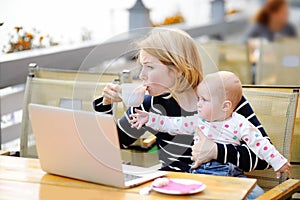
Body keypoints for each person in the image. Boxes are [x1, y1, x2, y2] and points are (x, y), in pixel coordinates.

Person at [93, 28, 267, 198]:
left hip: (219, 189)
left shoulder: (222, 100)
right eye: (142, 67)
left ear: (177, 69)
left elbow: (263, 159)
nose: (142, 75)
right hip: (170, 191)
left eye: (149, 67)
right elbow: (110, 146)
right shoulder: (151, 104)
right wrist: (106, 105)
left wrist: (216, 151)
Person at [129, 71, 291, 179]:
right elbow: (171, 124)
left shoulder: (239, 122)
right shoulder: (197, 121)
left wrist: (279, 162)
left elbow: (260, 144)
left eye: (204, 100)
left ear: (225, 106)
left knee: (252, 194)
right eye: (198, 99)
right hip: (198, 174)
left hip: (229, 175)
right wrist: (149, 118)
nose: (198, 104)